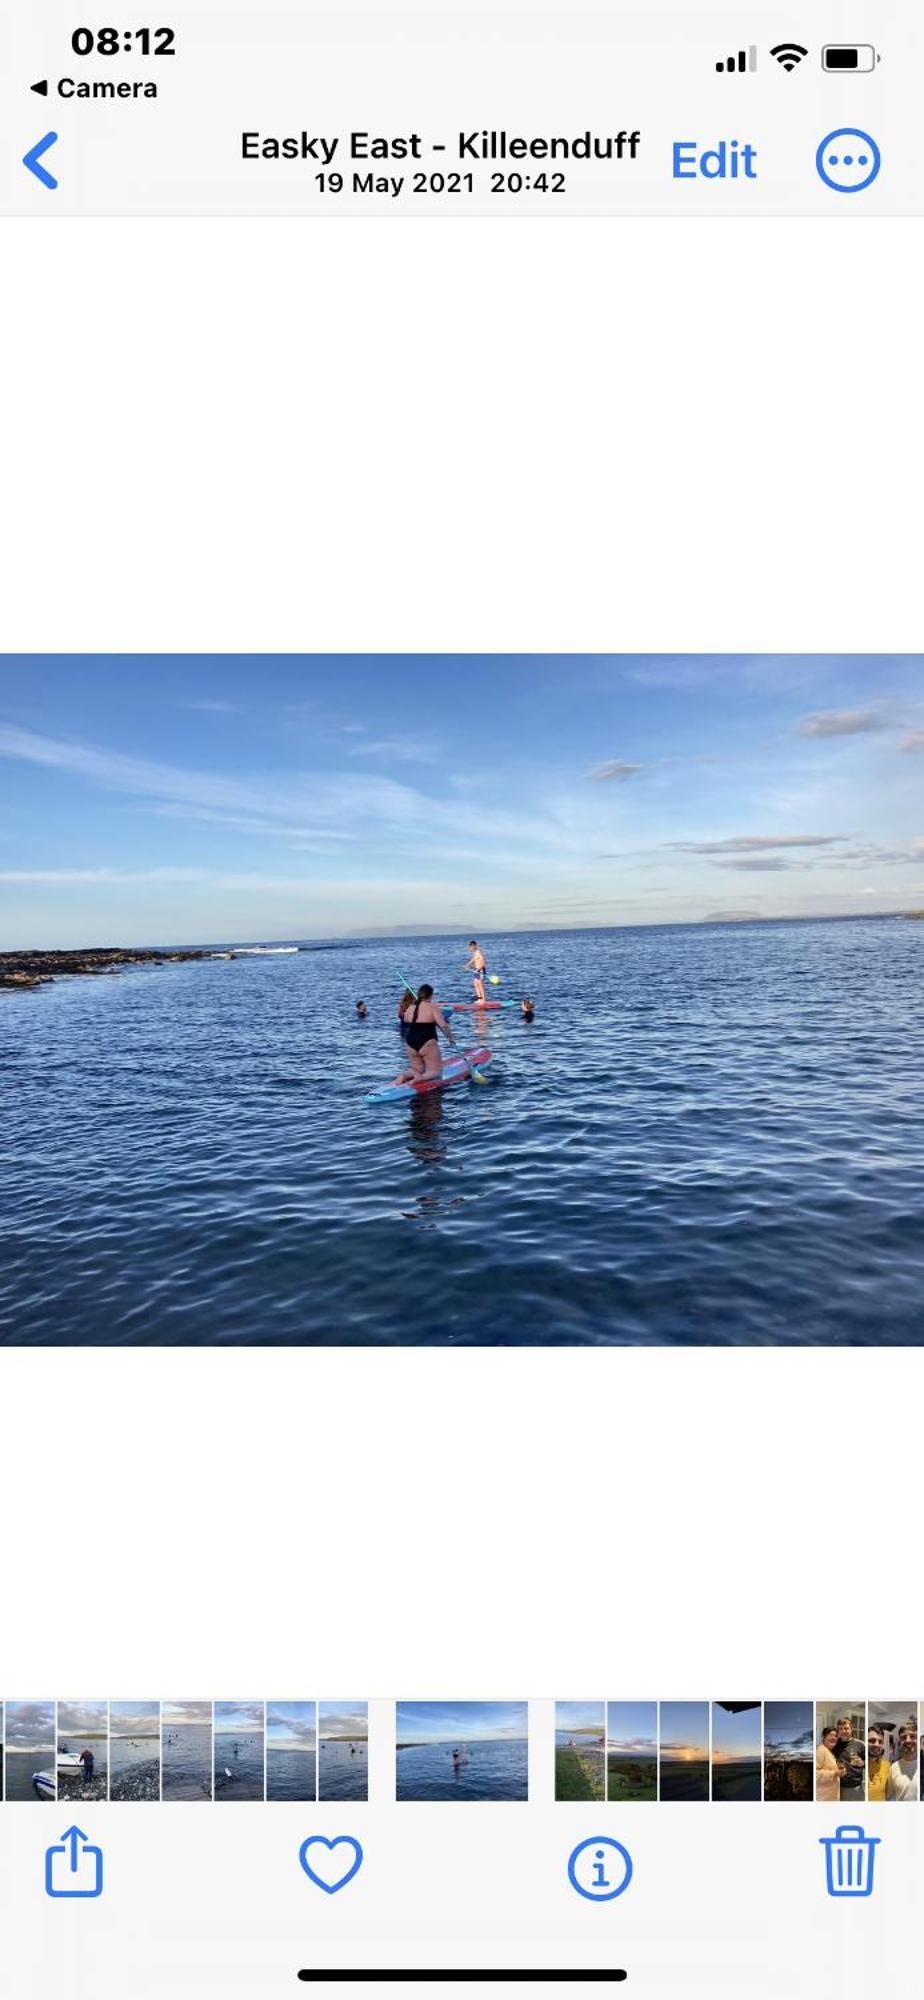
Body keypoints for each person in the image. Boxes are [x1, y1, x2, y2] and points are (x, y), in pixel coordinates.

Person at [394, 985, 456, 1083]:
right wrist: (450, 1038)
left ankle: (405, 1075)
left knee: (417, 1069)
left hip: (410, 1039)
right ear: (430, 995)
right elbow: (444, 1026)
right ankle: (420, 1078)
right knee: (436, 1071)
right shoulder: (432, 1007)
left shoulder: (411, 1007)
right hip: (426, 1040)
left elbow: (405, 1019)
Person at [835, 1716, 865, 1799]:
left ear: (851, 1729)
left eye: (846, 1728)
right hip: (837, 1787)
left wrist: (862, 1763)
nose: (843, 1731)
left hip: (855, 1788)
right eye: (840, 1729)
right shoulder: (834, 1745)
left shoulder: (860, 1745)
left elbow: (867, 1763)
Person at [890, 1722, 920, 1800]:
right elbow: (889, 1795)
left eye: (912, 1736)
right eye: (904, 1737)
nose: (908, 1740)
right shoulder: (893, 1767)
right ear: (900, 1741)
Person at [816, 1726, 841, 1802]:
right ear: (824, 1737)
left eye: (835, 1736)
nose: (833, 1738)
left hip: (831, 1796)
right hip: (823, 1797)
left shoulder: (829, 1751)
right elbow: (815, 1774)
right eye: (830, 1735)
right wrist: (834, 1773)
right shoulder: (820, 1750)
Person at [867, 1726, 889, 1801]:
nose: (876, 1744)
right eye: (872, 1740)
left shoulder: (888, 1766)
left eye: (880, 1742)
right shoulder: (858, 1765)